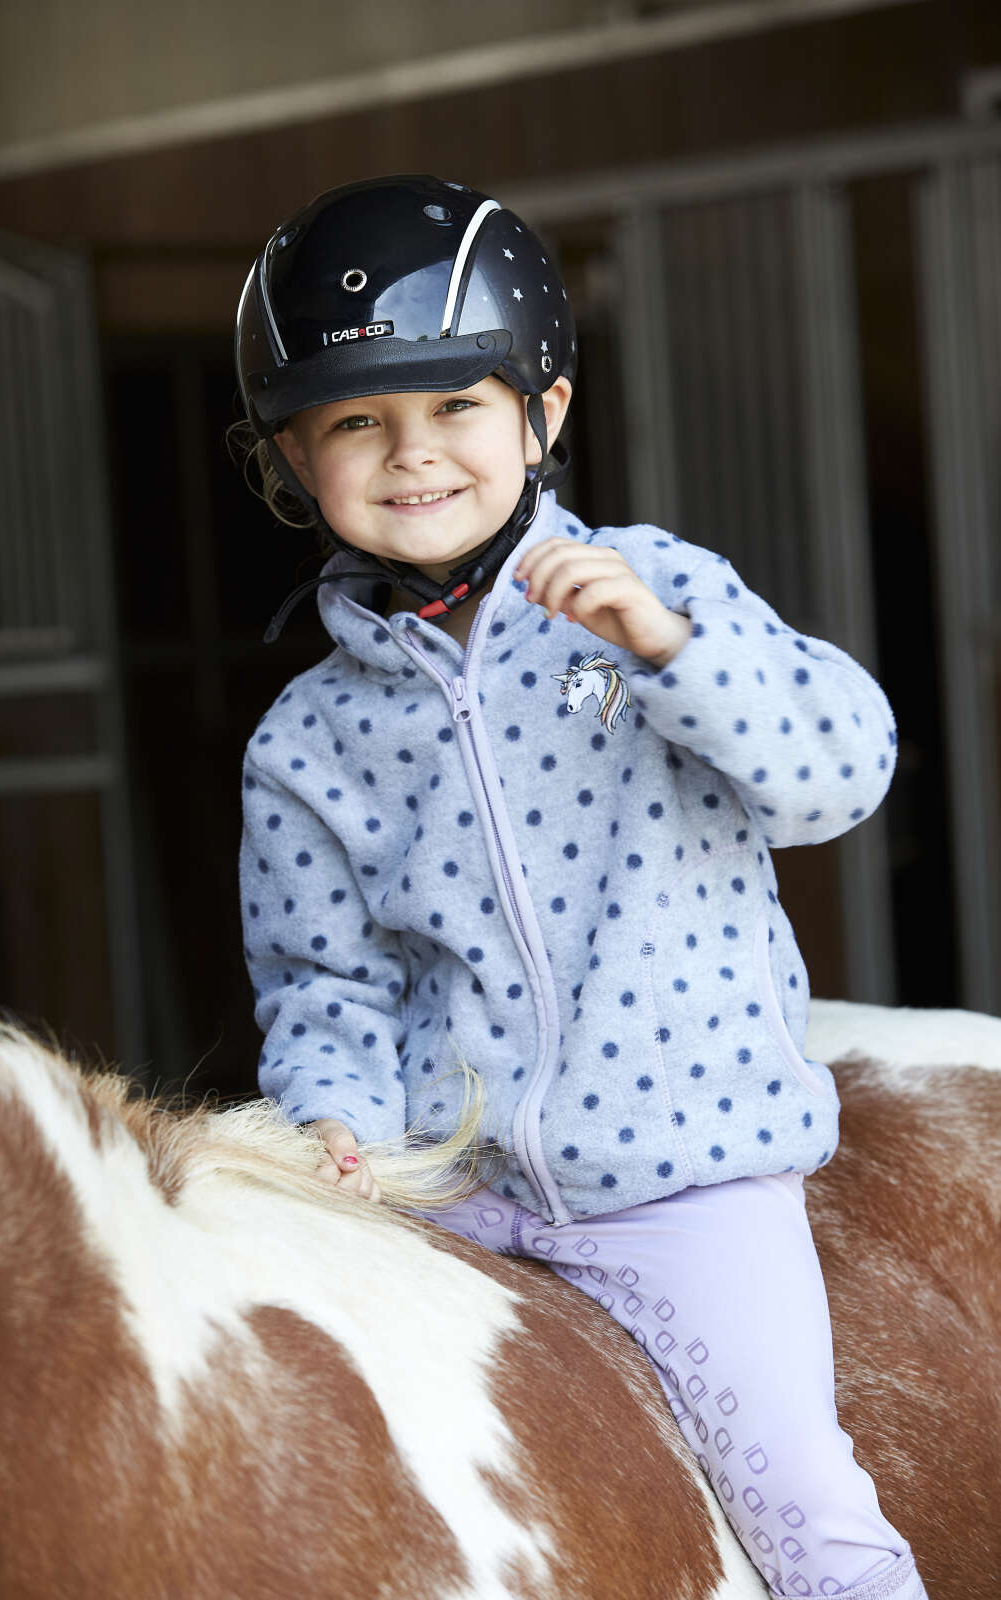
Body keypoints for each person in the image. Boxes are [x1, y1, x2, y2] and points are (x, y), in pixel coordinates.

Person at [235, 175, 928, 1600]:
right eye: (357, 421)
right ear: (294, 455)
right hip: (451, 1204)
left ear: (543, 411)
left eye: (457, 405)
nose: (413, 453)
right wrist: (336, 1119)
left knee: (809, 1514)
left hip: (687, 1186)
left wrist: (675, 652)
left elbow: (841, 774)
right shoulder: (304, 740)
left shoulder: (654, 590)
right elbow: (323, 984)